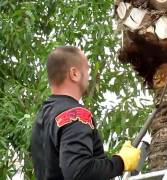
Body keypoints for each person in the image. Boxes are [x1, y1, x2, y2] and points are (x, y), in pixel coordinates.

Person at [31, 46, 140, 180]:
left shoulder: (43, 117)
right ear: (75, 74)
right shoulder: (75, 114)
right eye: (87, 69)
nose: (89, 75)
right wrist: (121, 162)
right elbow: (79, 172)